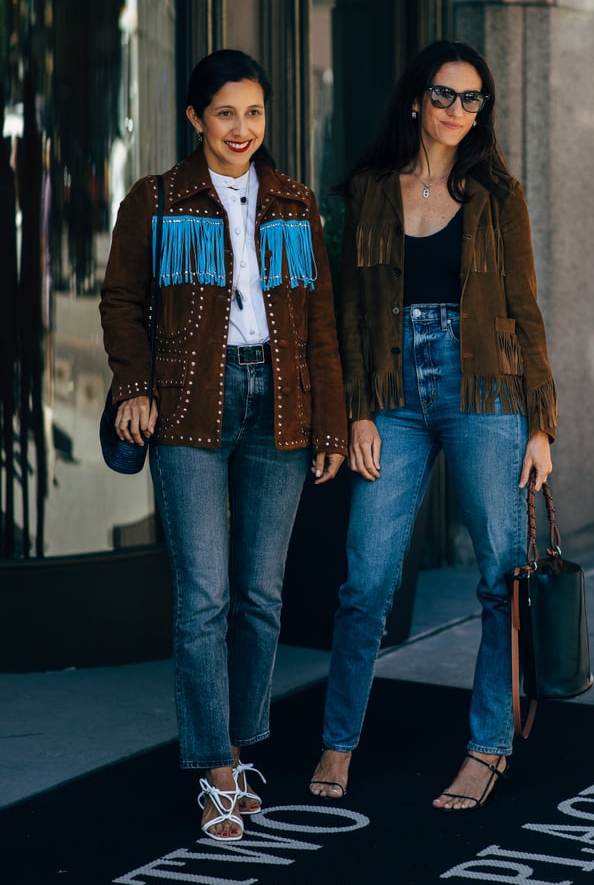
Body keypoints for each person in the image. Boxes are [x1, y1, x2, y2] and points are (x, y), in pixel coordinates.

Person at [100, 49, 347, 840]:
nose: (242, 129)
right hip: (188, 409)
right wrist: (133, 386)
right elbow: (121, 300)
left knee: (261, 598)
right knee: (203, 598)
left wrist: (331, 422)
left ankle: (240, 745)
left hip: (280, 407)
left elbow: (316, 322)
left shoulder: (291, 202)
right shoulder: (159, 200)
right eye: (226, 113)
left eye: (254, 113)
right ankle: (213, 768)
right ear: (195, 119)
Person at [308, 40, 557, 810]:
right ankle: (337, 743)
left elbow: (523, 308)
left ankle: (486, 747)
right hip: (391, 394)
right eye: (444, 95)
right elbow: (348, 310)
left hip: (485, 390)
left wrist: (540, 424)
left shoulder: (496, 193)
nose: (456, 111)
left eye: (471, 99)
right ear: (415, 100)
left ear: (481, 111)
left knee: (497, 578)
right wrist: (356, 411)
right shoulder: (369, 191)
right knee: (364, 583)